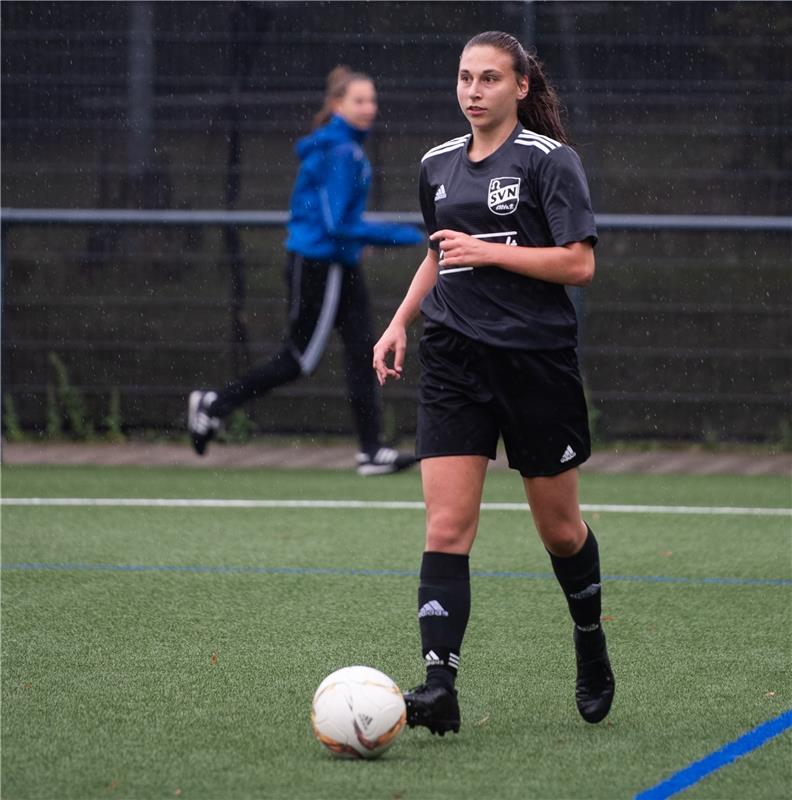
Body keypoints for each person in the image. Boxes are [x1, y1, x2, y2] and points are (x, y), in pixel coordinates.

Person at [373, 31, 614, 733]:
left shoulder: (551, 162)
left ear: (520, 88)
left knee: (561, 531)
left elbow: (578, 266)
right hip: (453, 359)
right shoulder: (437, 164)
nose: (472, 91)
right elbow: (438, 254)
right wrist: (397, 323)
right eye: (464, 78)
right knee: (446, 525)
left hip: (534, 362)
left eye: (487, 79)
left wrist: (489, 253)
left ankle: (590, 641)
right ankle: (438, 684)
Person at [188, 66, 423, 475]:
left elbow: (338, 220)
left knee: (364, 351)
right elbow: (336, 225)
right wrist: (413, 235)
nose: (370, 108)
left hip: (340, 263)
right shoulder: (340, 151)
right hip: (321, 266)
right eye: (359, 101)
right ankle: (214, 404)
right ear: (336, 105)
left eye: (372, 100)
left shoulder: (346, 148)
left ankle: (371, 452)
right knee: (298, 360)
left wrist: (364, 241)